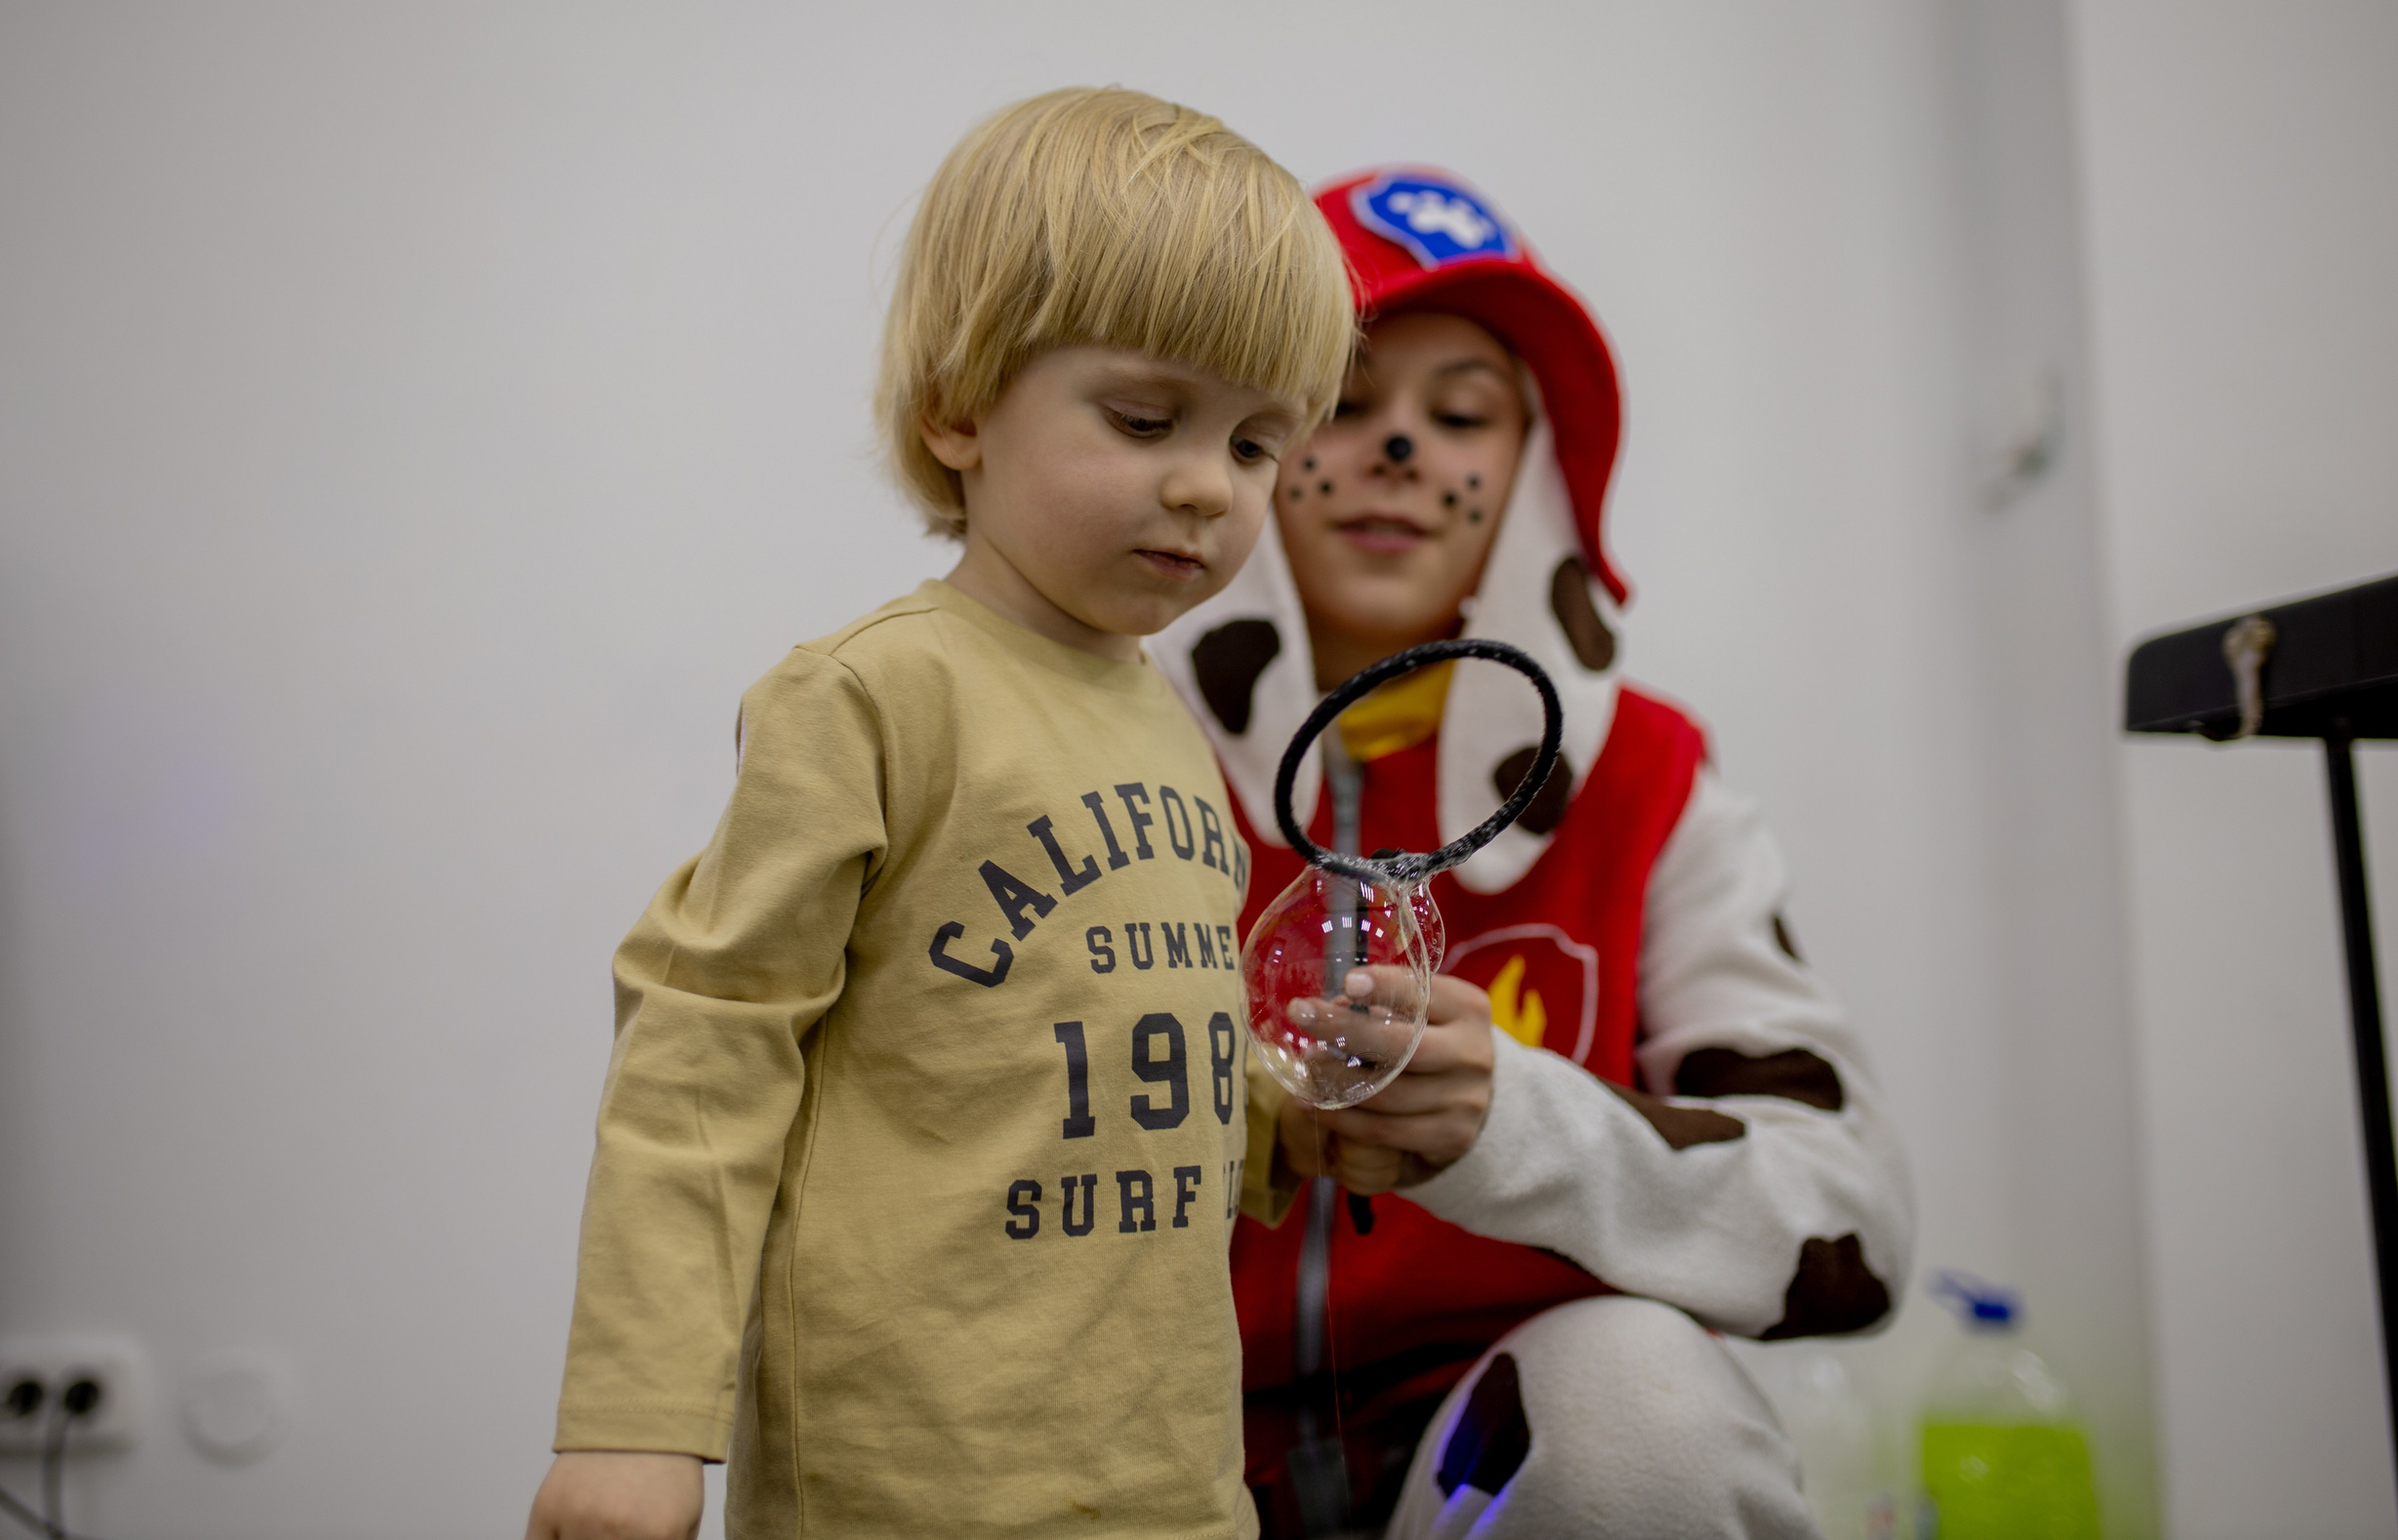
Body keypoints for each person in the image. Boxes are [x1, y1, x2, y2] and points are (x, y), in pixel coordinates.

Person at [523, 87, 1355, 1540]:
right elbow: (702, 1052)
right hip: (913, 1488)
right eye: (1147, 416)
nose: (1203, 489)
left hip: (1168, 1484)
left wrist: (1301, 1116)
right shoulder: (872, 699)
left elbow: (1093, 1055)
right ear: (958, 407)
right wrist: (635, 1424)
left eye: (1255, 445)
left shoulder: (1172, 728)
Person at [1149, 168, 1915, 1540]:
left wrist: (1516, 1126)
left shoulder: (1646, 782)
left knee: (1645, 1408)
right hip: (1147, 1465)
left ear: (1530, 474)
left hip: (1490, 1461)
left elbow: (1846, 1224)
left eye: (1460, 417)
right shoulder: (1091, 749)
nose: (1399, 454)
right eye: (1345, 400)